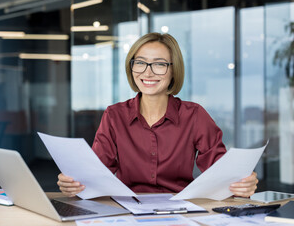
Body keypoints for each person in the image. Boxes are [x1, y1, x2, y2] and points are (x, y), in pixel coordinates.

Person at [58, 32, 258, 198]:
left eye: (159, 64)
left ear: (173, 70)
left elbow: (222, 173)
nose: (148, 72)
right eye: (140, 63)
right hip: (127, 211)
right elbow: (95, 175)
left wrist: (242, 183)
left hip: (180, 210)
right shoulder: (114, 115)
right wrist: (75, 183)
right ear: (132, 66)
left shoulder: (194, 115)